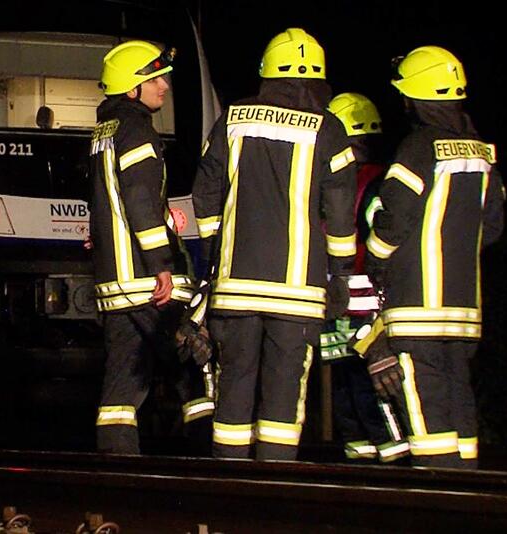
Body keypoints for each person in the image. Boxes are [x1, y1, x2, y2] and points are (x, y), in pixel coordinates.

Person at [192, 28, 358, 461]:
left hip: (235, 288)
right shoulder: (330, 130)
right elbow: (340, 214)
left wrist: (215, 248)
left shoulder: (233, 119)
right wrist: (340, 276)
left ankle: (228, 491)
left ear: (266, 73)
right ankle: (274, 491)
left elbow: (205, 195)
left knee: (234, 393)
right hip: (299, 295)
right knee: (284, 403)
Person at [362, 46, 504, 469]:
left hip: (416, 310)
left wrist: (376, 258)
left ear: (415, 98)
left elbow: (393, 217)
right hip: (463, 312)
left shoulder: (418, 147)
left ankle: (439, 497)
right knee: (460, 404)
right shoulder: (483, 153)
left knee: (426, 418)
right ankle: (470, 498)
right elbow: (492, 228)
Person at [89, 40, 211, 455]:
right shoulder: (138, 130)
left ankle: (119, 469)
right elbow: (141, 201)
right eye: (154, 78)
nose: (164, 86)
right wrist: (162, 263)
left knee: (123, 382)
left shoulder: (104, 131)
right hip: (147, 280)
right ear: (131, 88)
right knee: (193, 365)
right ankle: (209, 463)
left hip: (115, 283)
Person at [320, 93, 409, 463]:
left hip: (367, 313)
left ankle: (398, 476)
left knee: (373, 396)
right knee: (348, 401)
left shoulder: (373, 185)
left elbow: (384, 245)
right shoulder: (340, 184)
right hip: (342, 310)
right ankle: (361, 480)